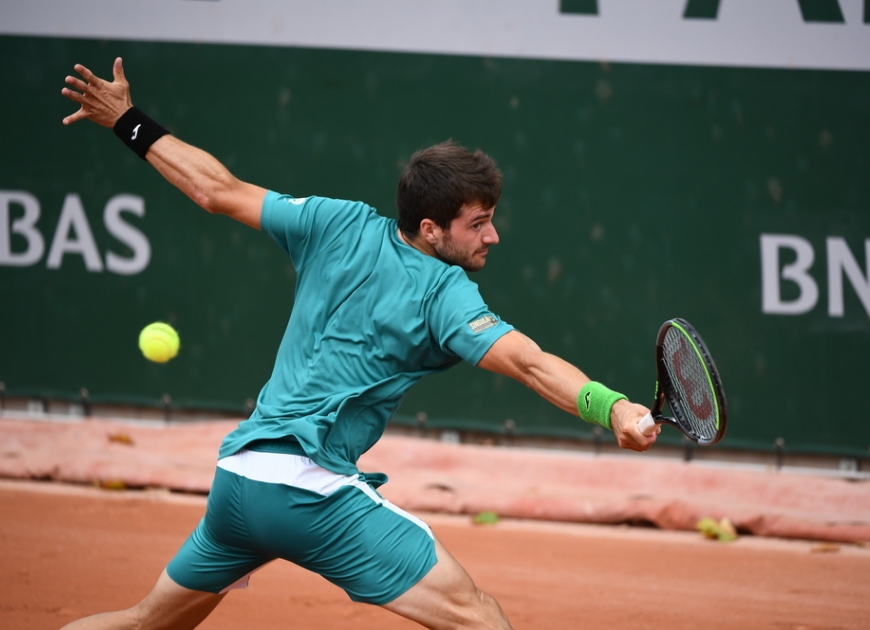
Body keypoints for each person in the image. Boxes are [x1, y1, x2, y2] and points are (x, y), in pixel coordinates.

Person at [59, 57, 659, 630]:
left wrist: (127, 121)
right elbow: (529, 364)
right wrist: (611, 407)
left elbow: (216, 190)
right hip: (305, 489)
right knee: (477, 616)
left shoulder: (335, 221)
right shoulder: (445, 292)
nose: (493, 237)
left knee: (144, 622)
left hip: (238, 481)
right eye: (477, 224)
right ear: (430, 229)